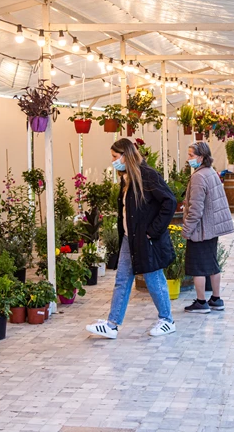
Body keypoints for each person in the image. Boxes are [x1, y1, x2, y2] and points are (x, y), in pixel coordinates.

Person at [86, 138, 177, 339]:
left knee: (154, 278)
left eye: (114, 157)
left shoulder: (148, 175)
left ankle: (167, 320)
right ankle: (112, 324)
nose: (113, 161)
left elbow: (169, 202)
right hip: (130, 238)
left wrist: (153, 230)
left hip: (147, 239)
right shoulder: (127, 177)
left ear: (126, 155)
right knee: (122, 280)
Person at [182, 142, 234, 314]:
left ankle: (201, 302)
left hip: (200, 229)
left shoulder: (198, 177)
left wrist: (187, 229)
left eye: (191, 155)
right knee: (212, 264)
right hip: (212, 228)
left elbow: (196, 209)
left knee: (197, 267)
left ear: (201, 157)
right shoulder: (211, 172)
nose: (188, 159)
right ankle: (216, 299)